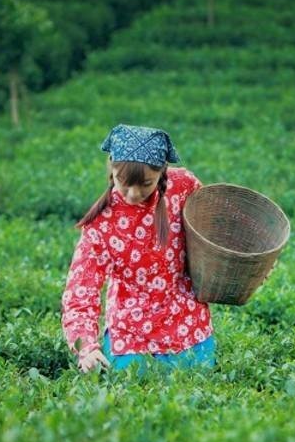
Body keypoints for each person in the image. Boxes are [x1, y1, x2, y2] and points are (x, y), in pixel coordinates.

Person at [61, 124, 216, 374]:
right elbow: (81, 292)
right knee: (133, 389)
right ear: (111, 168)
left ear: (162, 171)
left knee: (196, 388)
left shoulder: (183, 186)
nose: (133, 194)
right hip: (131, 335)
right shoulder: (100, 224)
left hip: (188, 327)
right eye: (124, 182)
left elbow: (213, 226)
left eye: (146, 184)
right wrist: (86, 347)